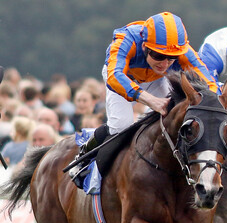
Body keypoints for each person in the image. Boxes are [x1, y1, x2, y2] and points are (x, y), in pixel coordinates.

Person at [68, 12, 218, 177]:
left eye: (172, 58)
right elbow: (114, 76)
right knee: (121, 126)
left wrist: (215, 101)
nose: (165, 63)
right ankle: (85, 153)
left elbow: (208, 81)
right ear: (145, 46)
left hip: (156, 79)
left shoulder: (182, 50)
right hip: (123, 78)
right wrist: (149, 100)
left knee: (168, 119)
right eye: (159, 56)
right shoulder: (126, 39)